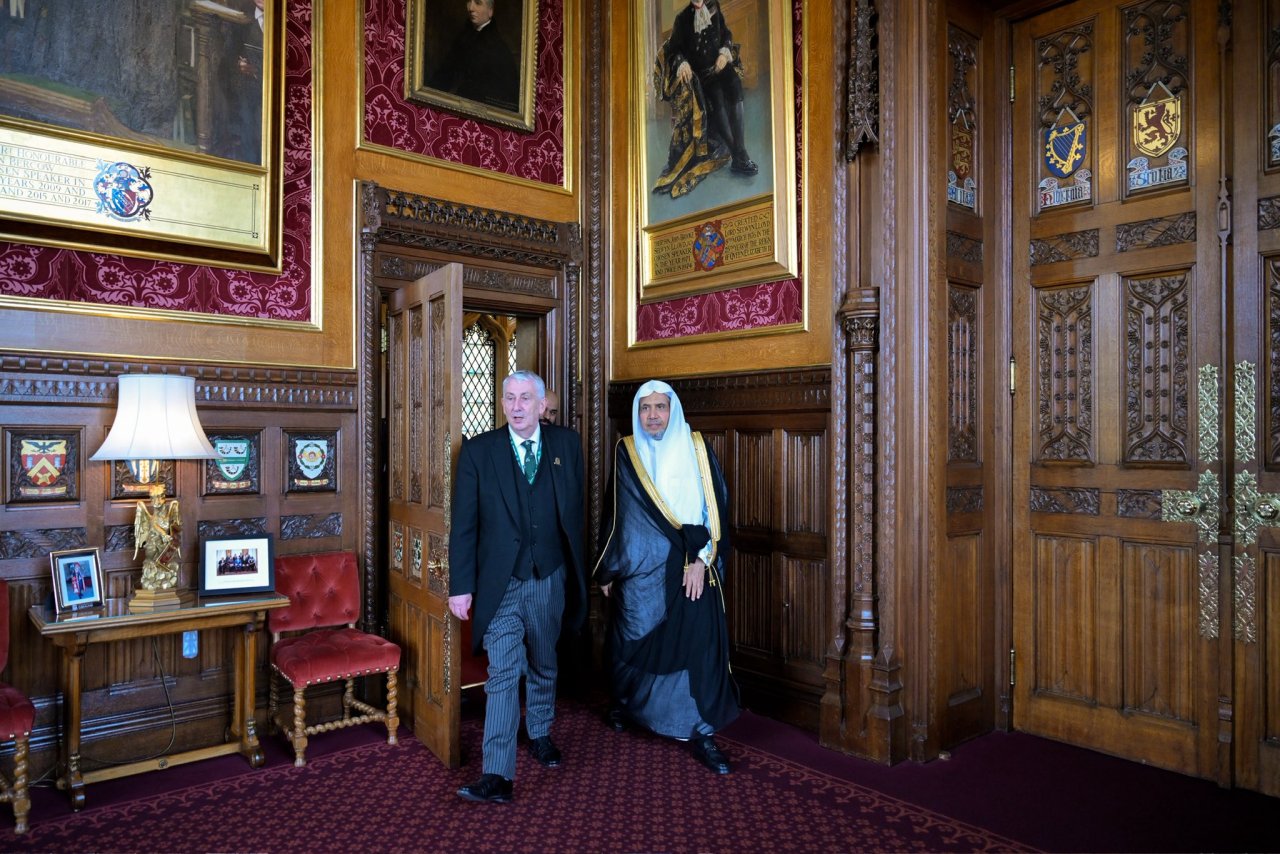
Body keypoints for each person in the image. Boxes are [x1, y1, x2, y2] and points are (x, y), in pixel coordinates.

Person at [448, 370, 587, 803]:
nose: (517, 406)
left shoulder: (567, 445)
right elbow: (464, 527)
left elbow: (576, 515)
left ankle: (541, 729)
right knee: (503, 672)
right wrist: (461, 585)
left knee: (545, 659)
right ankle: (498, 773)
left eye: (526, 398)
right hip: (499, 583)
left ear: (542, 405)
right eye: (510, 398)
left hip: (549, 575)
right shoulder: (478, 452)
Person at [594, 379, 739, 775]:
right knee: (633, 642)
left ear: (672, 410)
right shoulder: (628, 452)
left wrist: (701, 559)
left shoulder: (696, 449)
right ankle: (632, 708)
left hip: (692, 568)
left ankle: (700, 731)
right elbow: (617, 516)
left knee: (697, 647)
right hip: (641, 572)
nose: (652, 416)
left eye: (660, 407)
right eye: (645, 408)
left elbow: (717, 511)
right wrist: (608, 568)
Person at [652, 0, 758, 198]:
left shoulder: (714, 6)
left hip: (720, 65)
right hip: (702, 74)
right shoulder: (682, 19)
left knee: (735, 86)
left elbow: (726, 34)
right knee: (717, 97)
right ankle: (739, 156)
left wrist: (725, 53)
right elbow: (674, 50)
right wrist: (682, 63)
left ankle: (740, 149)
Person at [429, 0, 520, 111]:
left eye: (478, 3)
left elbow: (504, 99)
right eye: (468, 1)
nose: (470, 8)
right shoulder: (463, 38)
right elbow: (445, 73)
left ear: (490, 11)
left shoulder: (498, 49)